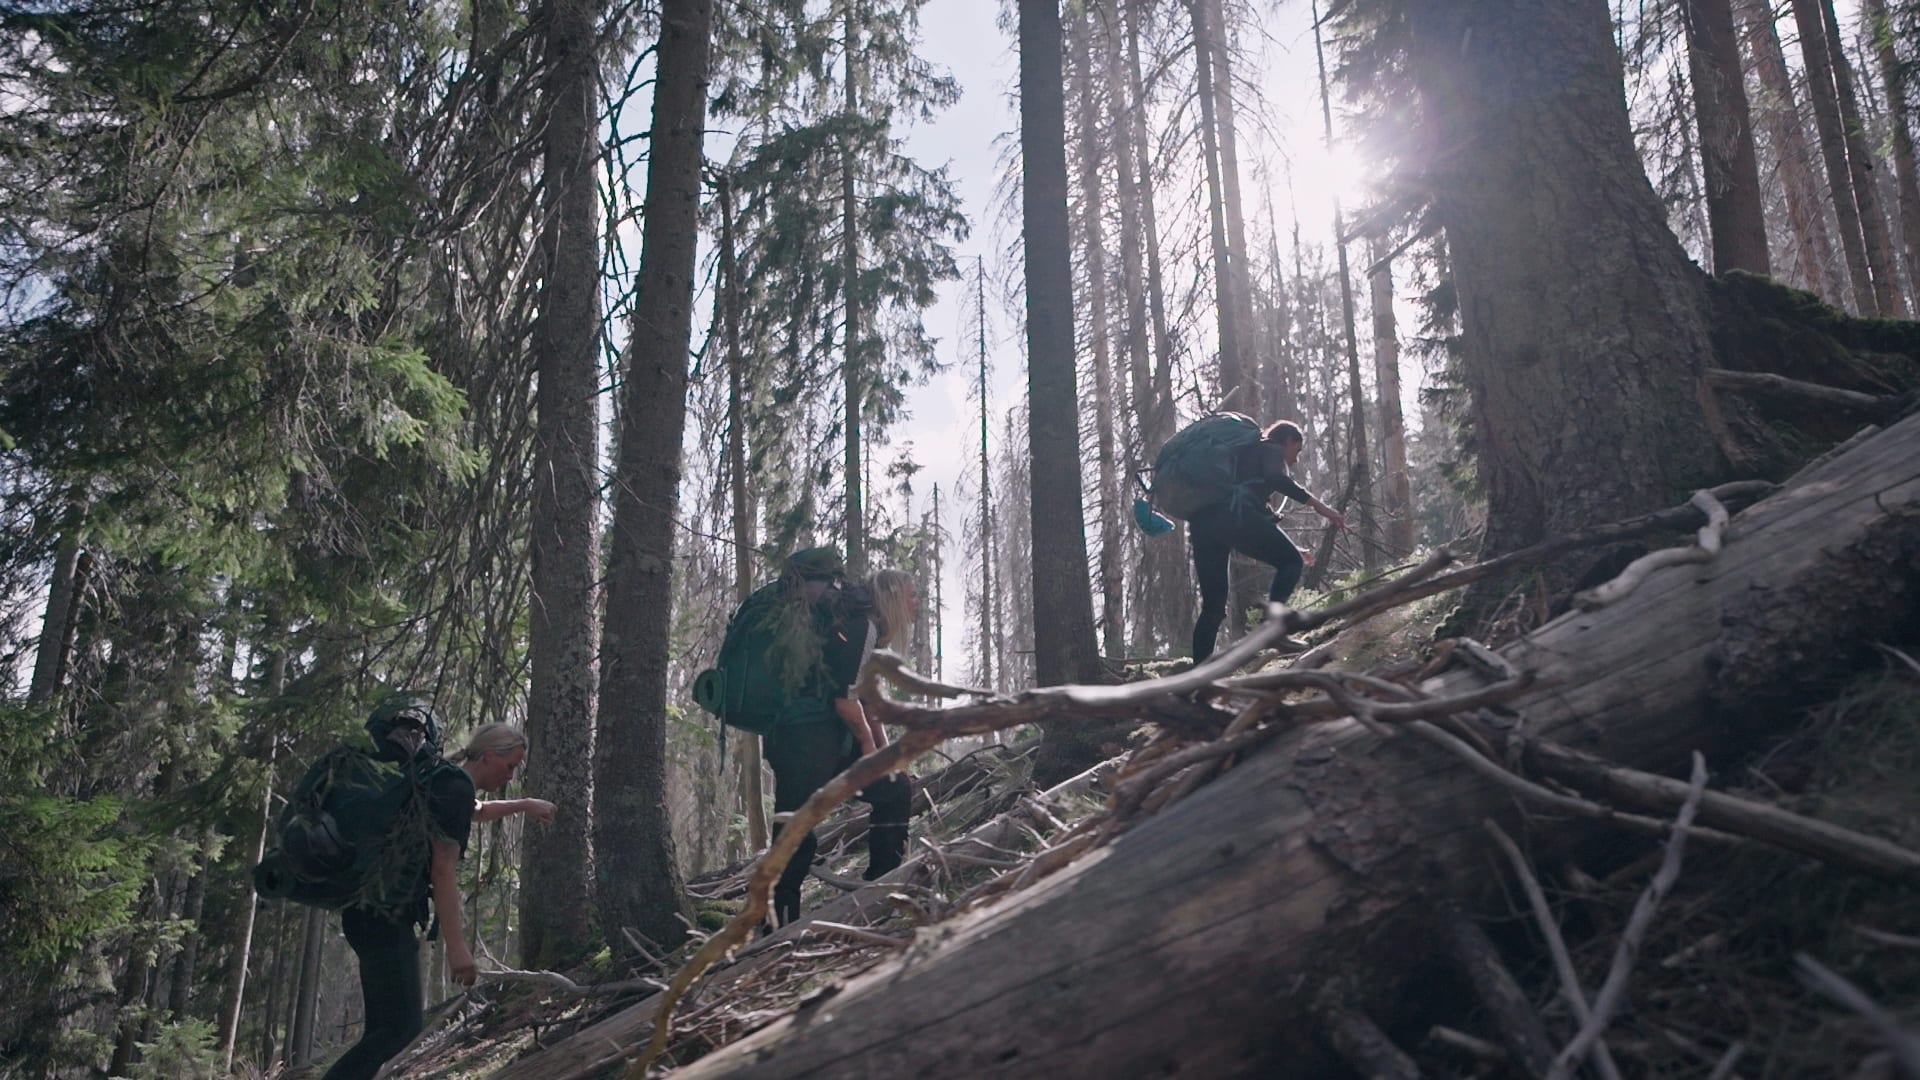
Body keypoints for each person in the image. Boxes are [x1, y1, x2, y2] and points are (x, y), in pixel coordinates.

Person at [323, 714, 554, 1080]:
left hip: (367, 910)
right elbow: (442, 870)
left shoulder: (447, 782)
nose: (510, 776)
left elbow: (474, 811)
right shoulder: (454, 788)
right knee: (399, 1030)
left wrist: (524, 804)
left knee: (384, 1029)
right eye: (510, 767)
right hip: (384, 916)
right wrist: (458, 949)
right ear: (490, 756)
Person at [760, 549, 914, 925]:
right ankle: (777, 925)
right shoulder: (861, 626)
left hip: (817, 739)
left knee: (894, 790)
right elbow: (845, 702)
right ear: (893, 598)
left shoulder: (861, 628)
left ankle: (881, 889)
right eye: (911, 595)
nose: (916, 603)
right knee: (796, 831)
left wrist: (884, 756)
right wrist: (867, 747)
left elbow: (864, 699)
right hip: (804, 740)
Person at [1188, 419, 1345, 662]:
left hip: (1203, 523)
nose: (1295, 459)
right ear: (1287, 441)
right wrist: (1320, 507)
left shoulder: (1246, 457)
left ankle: (1198, 676)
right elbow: (1277, 479)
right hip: (1232, 517)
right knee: (1290, 562)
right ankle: (1274, 629)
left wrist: (1292, 546)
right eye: (1297, 450)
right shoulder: (1270, 448)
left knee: (1213, 607)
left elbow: (1258, 511)